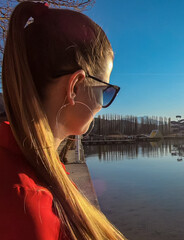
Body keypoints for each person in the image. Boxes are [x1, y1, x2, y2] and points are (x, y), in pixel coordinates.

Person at [0, 2, 125, 239]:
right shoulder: (29, 207)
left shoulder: (25, 159)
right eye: (104, 91)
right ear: (75, 87)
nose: (101, 106)